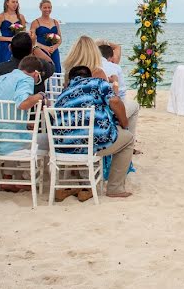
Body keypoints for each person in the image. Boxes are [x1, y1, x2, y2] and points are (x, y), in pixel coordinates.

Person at [54, 65, 135, 200]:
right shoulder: (97, 83)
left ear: (69, 80)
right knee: (128, 139)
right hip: (92, 145)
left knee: (81, 135)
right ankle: (115, 188)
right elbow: (115, 100)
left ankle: (81, 186)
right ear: (89, 76)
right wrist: (124, 123)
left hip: (64, 148)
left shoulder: (62, 94)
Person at [0, 55, 47, 155]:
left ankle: (13, 170)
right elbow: (22, 103)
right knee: (52, 139)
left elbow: (3, 112)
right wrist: (41, 95)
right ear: (36, 74)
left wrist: (26, 124)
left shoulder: (0, 79)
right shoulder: (26, 79)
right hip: (14, 143)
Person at [98, 42, 140, 141]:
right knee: (134, 106)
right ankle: (129, 139)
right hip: (111, 107)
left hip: (96, 107)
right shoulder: (115, 67)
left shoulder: (89, 66)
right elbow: (120, 93)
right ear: (111, 57)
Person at [0, 0, 26, 64]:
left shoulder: (21, 17)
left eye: (17, 2)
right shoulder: (1, 16)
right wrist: (10, 39)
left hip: (18, 46)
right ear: (7, 2)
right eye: (13, 2)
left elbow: (24, 34)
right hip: (4, 46)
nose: (15, 4)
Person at [31, 0, 62, 74]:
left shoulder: (55, 22)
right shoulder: (35, 22)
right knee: (44, 71)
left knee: (56, 69)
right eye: (45, 7)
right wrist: (45, 48)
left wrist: (54, 47)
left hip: (54, 51)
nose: (47, 9)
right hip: (41, 51)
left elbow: (60, 38)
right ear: (40, 8)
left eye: (49, 7)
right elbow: (32, 40)